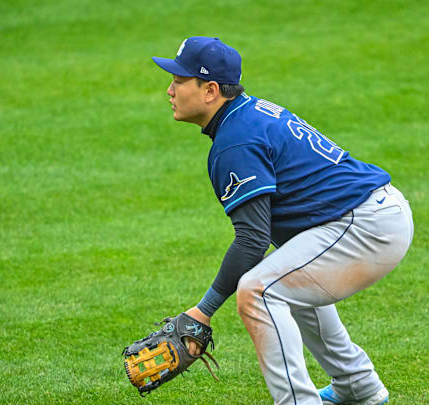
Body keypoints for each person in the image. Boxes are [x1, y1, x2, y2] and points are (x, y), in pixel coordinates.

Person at [151, 36, 413, 405]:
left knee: (259, 290)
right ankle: (357, 386)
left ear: (210, 90)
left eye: (179, 81)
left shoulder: (235, 143)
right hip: (371, 215)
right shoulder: (248, 113)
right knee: (286, 275)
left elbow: (252, 240)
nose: (170, 89)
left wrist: (203, 311)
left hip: (364, 226)